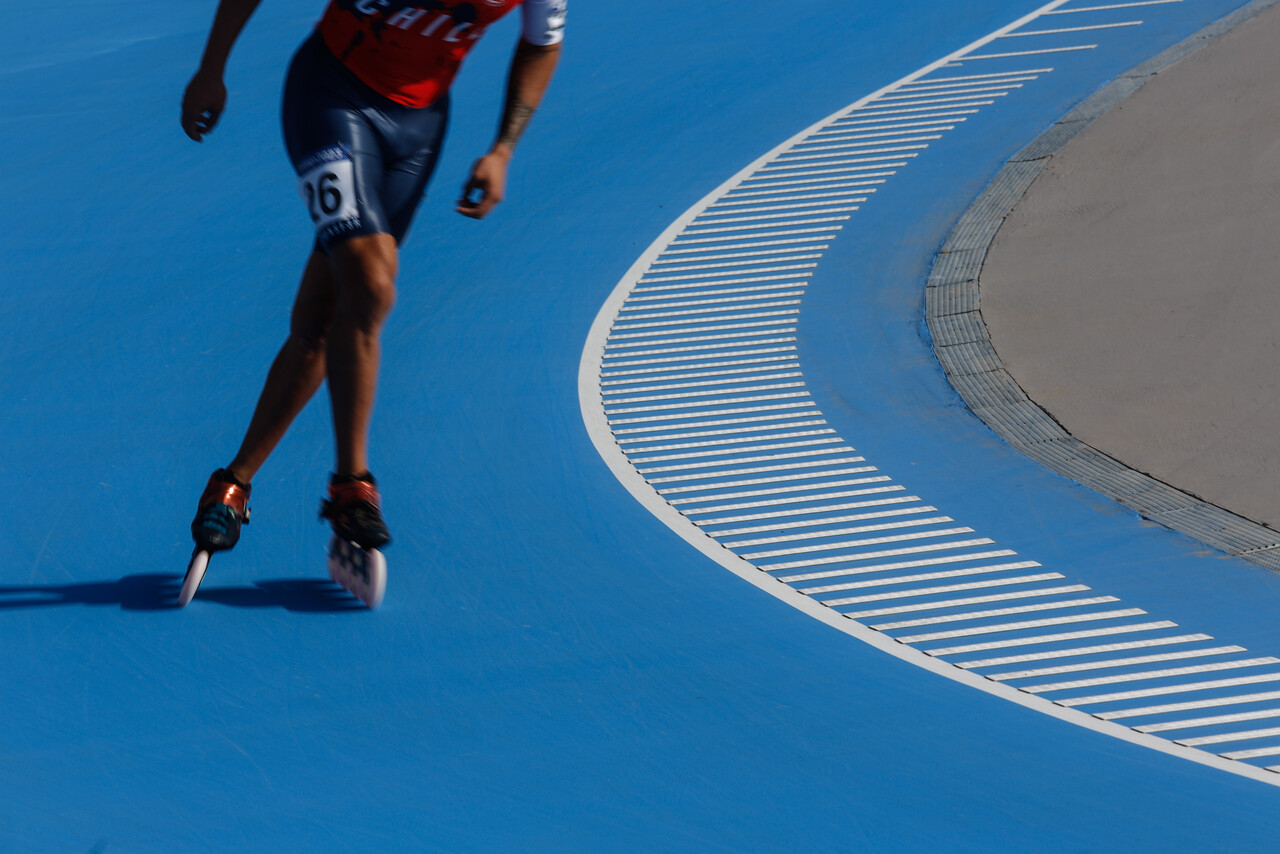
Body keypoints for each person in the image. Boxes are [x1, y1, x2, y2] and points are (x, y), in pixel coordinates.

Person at [181, 0, 564, 555]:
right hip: (330, 98)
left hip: (418, 130)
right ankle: (352, 485)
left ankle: (232, 483)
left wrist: (504, 149)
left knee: (324, 318)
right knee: (373, 285)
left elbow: (543, 42)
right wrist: (211, 67)